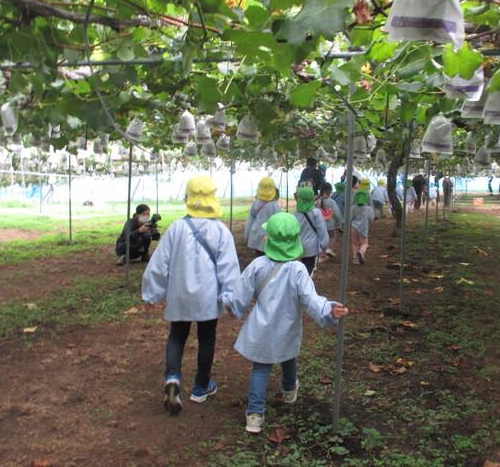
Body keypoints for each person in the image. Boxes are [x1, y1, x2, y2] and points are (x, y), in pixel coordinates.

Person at [222, 212, 349, 434]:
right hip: (287, 326)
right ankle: (289, 390)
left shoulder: (257, 265)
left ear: (267, 239)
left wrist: (230, 304)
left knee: (261, 368)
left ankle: (254, 415)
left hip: (261, 328)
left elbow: (240, 295)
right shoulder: (299, 270)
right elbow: (311, 300)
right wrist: (328, 309)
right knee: (289, 356)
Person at [141, 176, 240, 416]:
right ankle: (201, 386)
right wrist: (231, 296)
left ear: (188, 198)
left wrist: (154, 293)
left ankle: (173, 379)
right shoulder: (220, 231)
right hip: (208, 297)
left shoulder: (176, 228)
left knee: (177, 335)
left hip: (180, 294)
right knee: (207, 338)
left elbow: (159, 263)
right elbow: (229, 267)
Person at [294, 187, 328, 276]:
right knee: (309, 271)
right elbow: (321, 229)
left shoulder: (295, 214)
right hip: (311, 248)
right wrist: (323, 244)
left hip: (298, 247)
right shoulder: (316, 213)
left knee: (298, 271)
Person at [245, 177, 281, 257]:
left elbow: (250, 219)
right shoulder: (276, 206)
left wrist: (247, 234)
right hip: (270, 236)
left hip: (257, 234)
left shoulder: (256, 203)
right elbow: (279, 223)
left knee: (258, 256)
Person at [316, 182, 344, 262]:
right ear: (330, 191)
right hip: (331, 224)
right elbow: (336, 213)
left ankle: (321, 256)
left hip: (321, 225)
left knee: (322, 239)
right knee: (332, 236)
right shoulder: (332, 202)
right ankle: (329, 248)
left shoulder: (318, 202)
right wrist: (340, 222)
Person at [351, 189, 375, 265]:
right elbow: (372, 218)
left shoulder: (353, 207)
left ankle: (356, 258)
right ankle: (361, 251)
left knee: (355, 243)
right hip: (363, 228)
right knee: (364, 243)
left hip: (354, 227)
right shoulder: (368, 209)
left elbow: (349, 218)